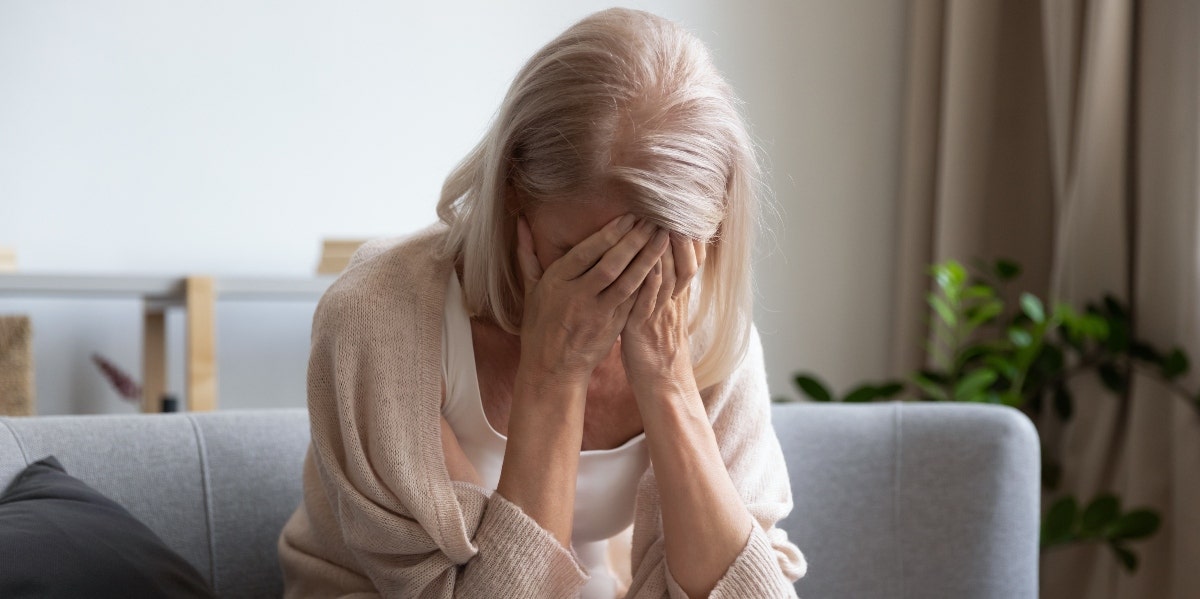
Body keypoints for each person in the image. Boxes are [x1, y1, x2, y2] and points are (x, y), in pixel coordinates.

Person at [278, 7, 806, 598]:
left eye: (652, 265)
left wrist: (668, 381)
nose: (617, 292)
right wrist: (554, 375)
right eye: (582, 258)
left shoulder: (706, 326)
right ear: (512, 193)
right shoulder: (379, 317)